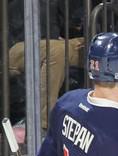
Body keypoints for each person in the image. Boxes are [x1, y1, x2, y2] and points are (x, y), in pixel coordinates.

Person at [8, 0, 86, 130]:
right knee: (56, 51)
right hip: (16, 49)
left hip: (53, 44)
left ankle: (96, 116)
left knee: (97, 45)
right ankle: (43, 126)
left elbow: (75, 22)